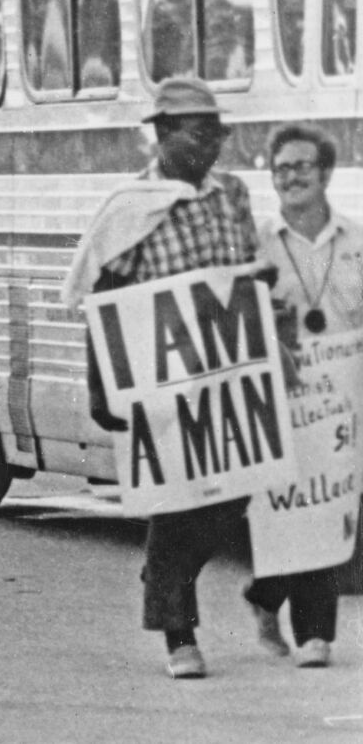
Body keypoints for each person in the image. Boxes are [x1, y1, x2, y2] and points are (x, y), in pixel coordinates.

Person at [64, 76, 259, 680]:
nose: (211, 146)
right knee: (176, 505)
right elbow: (104, 297)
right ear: (163, 135)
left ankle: (164, 576)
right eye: (199, 134)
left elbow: (248, 276)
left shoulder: (232, 196)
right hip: (161, 379)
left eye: (217, 134)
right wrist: (101, 385)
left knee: (237, 495)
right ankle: (179, 633)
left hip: (229, 375)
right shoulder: (130, 208)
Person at [244, 124, 361, 669]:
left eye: (302, 166)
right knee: (290, 504)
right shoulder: (258, 247)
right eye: (282, 167)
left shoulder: (356, 242)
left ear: (326, 173)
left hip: (343, 395)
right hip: (283, 396)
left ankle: (311, 631)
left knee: (331, 503)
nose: (292, 176)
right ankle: (271, 596)